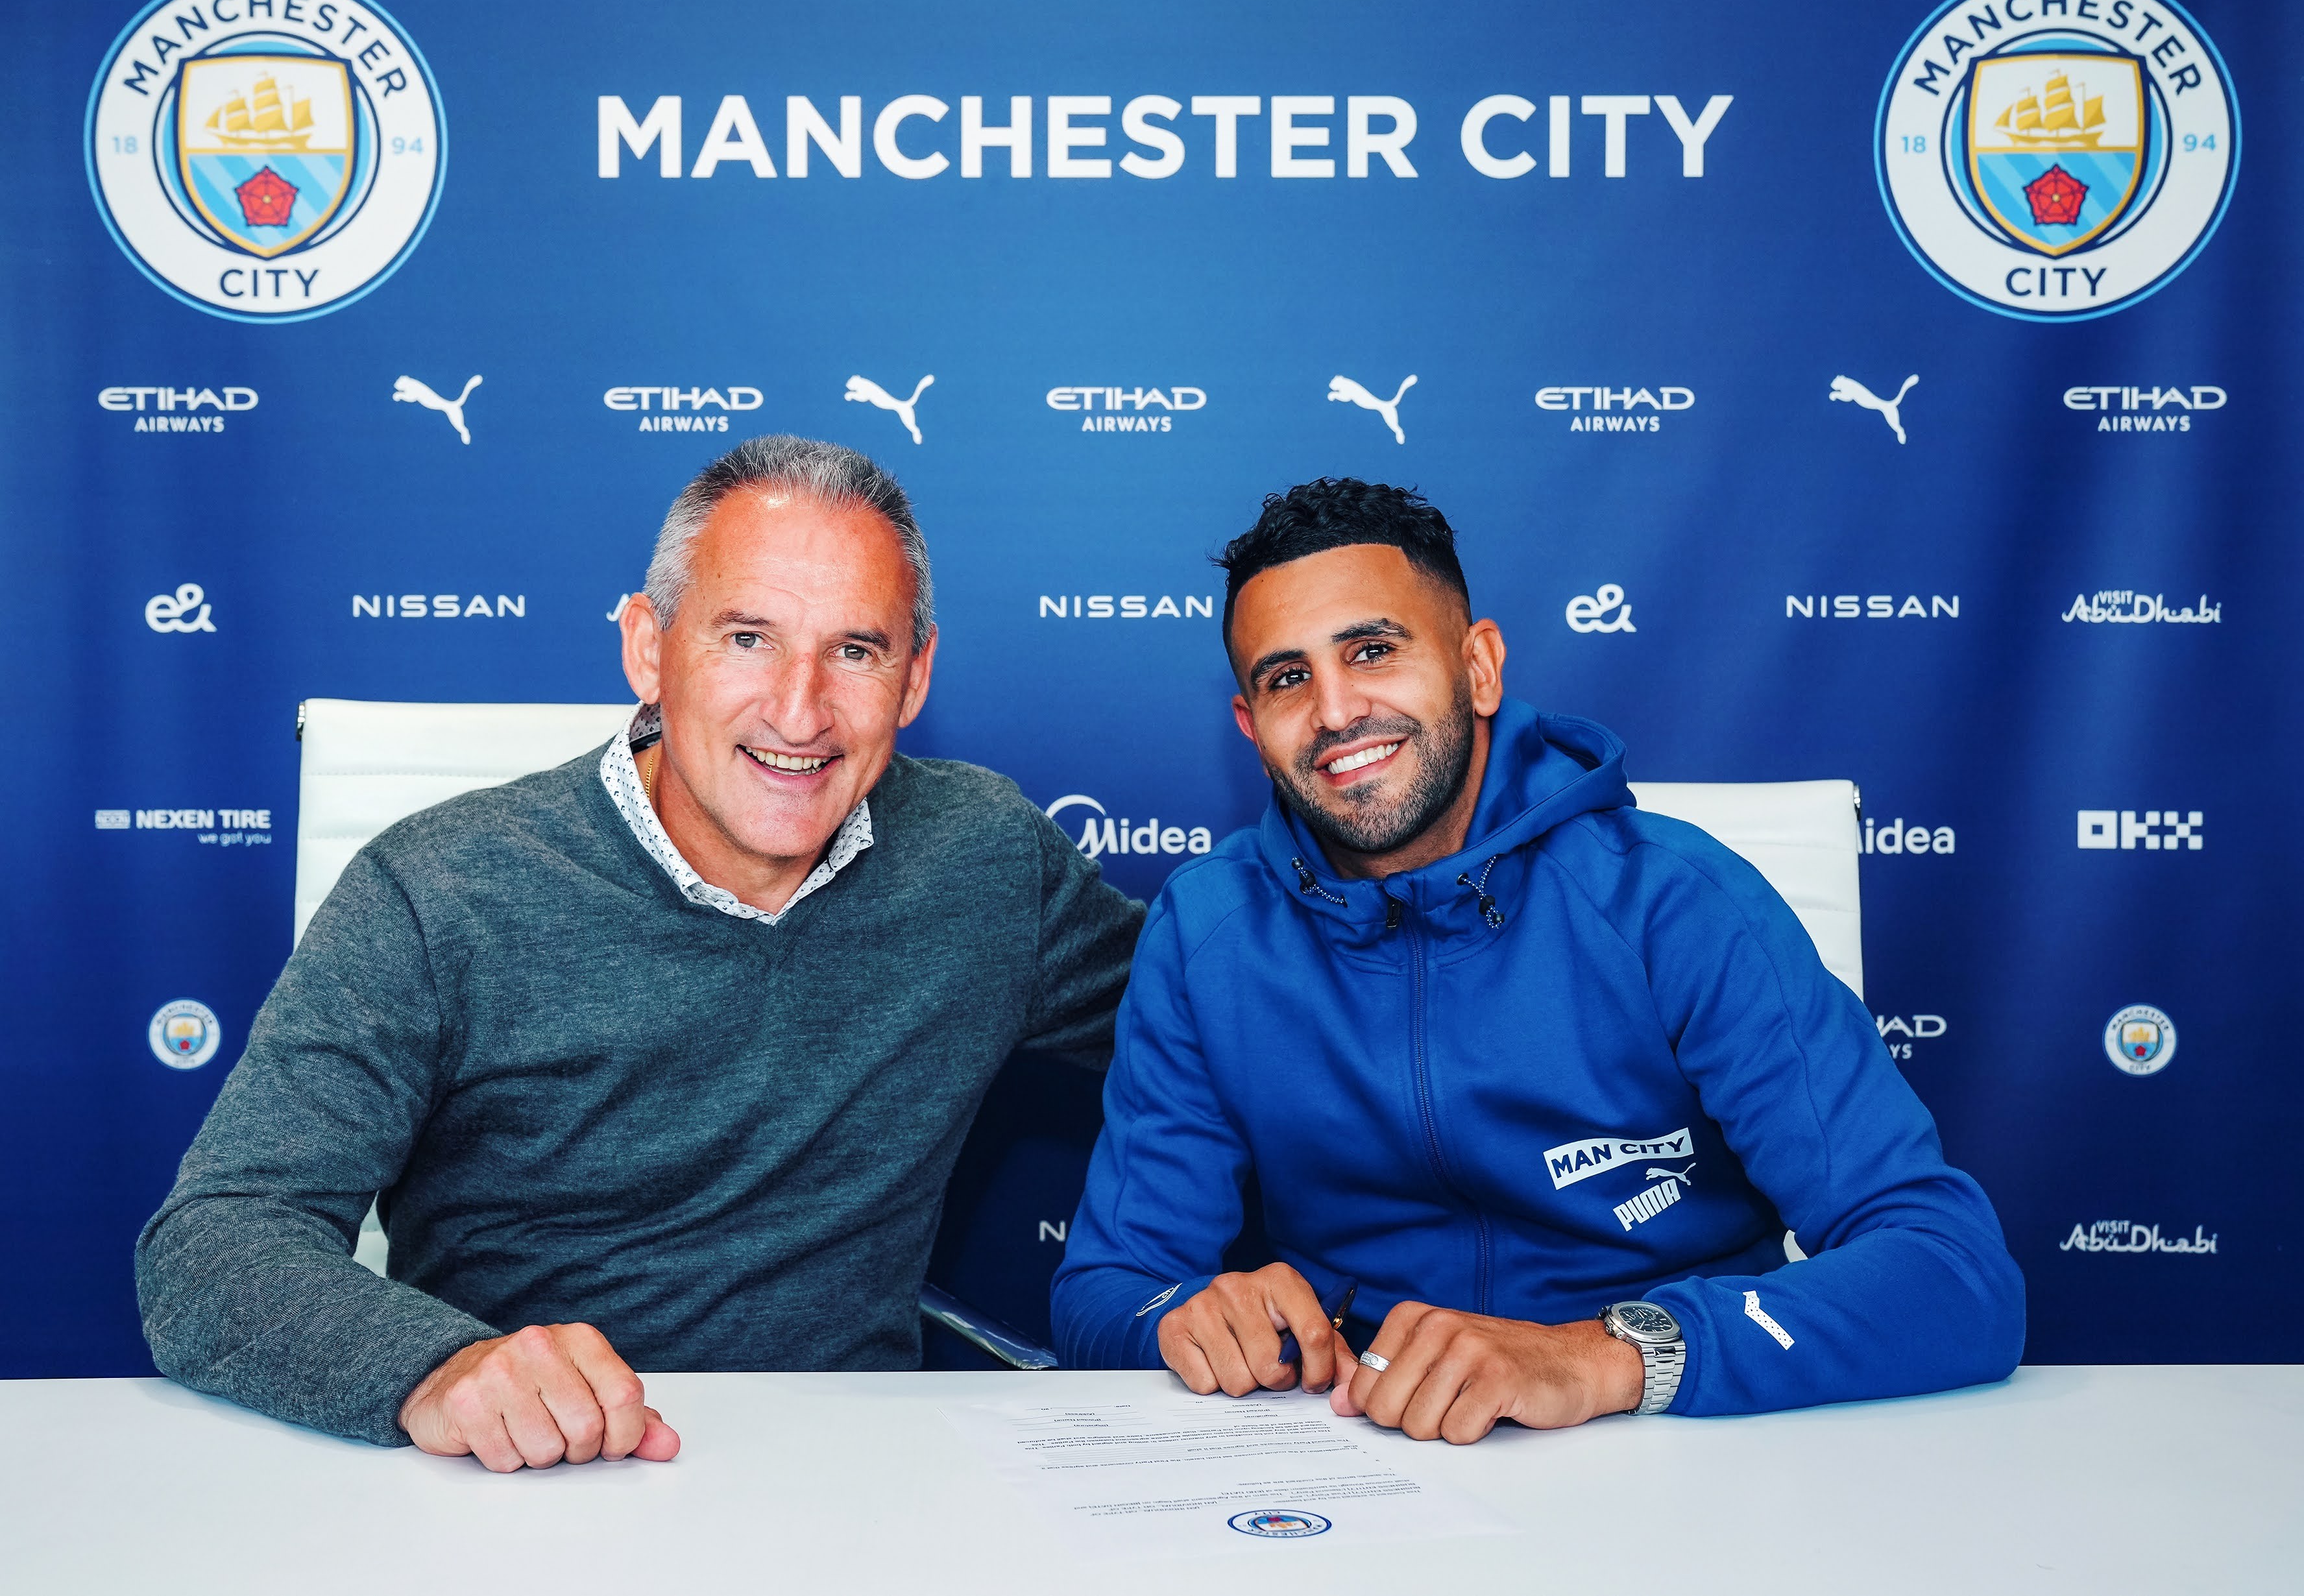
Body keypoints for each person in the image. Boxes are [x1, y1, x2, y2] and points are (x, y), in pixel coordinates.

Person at [138, 436, 1143, 1471]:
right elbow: (214, 1240)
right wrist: (439, 1369)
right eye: (748, 637)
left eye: (856, 650)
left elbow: (1213, 1017)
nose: (799, 710)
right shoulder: (438, 889)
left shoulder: (984, 858)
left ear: (915, 674)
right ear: (648, 649)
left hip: (851, 1480)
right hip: (528, 1481)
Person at [1050, 478, 2023, 1441]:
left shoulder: (1674, 900)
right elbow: (1109, 1287)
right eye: (1287, 678)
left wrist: (1598, 1357)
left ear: (1479, 666)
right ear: (1251, 729)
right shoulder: (1207, 930)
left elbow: (1952, 1270)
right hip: (1365, 1448)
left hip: (1670, 1435)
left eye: (1373, 651)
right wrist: (1182, 1318)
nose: (1337, 710)